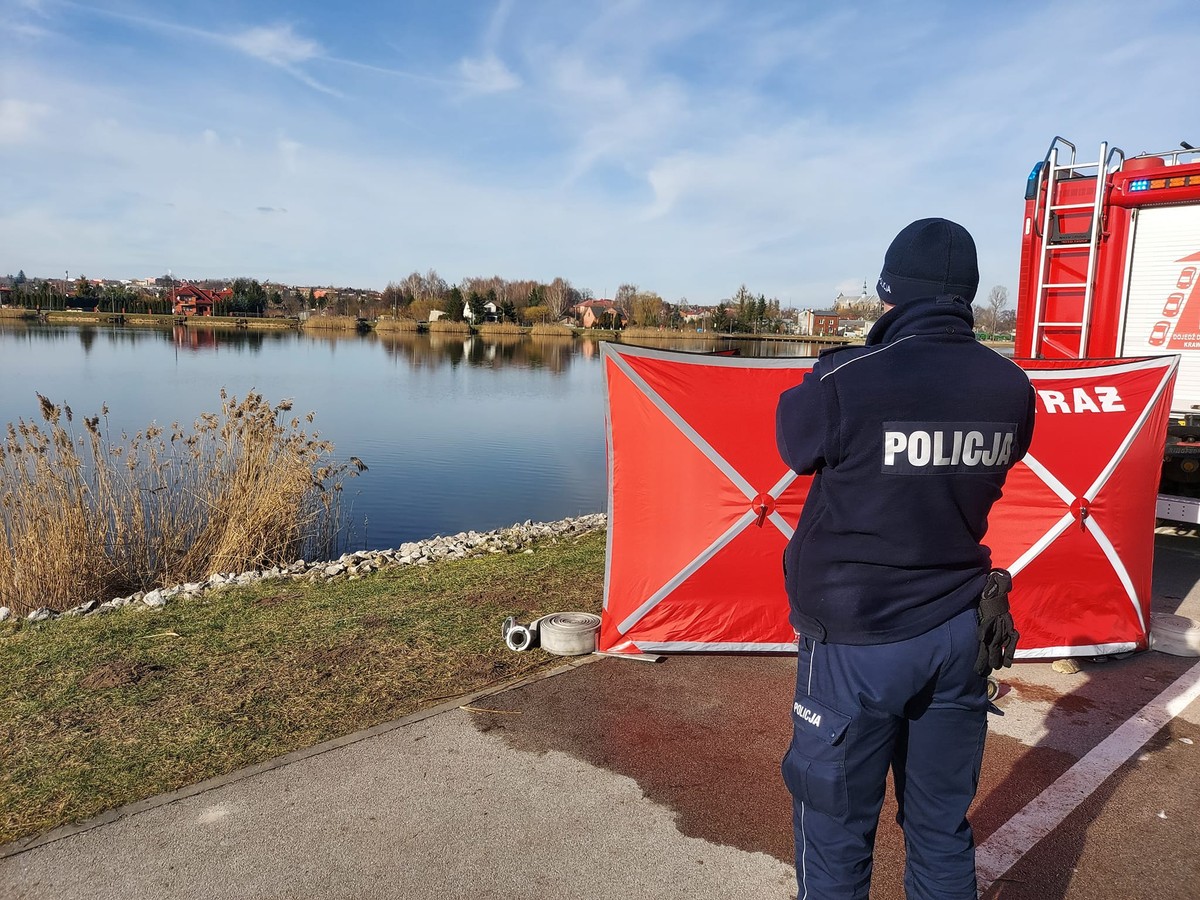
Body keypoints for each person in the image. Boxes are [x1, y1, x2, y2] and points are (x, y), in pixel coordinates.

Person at [775, 218, 1036, 899]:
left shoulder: (850, 378)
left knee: (834, 835)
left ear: (891, 295)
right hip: (958, 632)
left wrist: (839, 365)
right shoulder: (1010, 386)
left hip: (858, 643)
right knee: (940, 830)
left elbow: (792, 441)